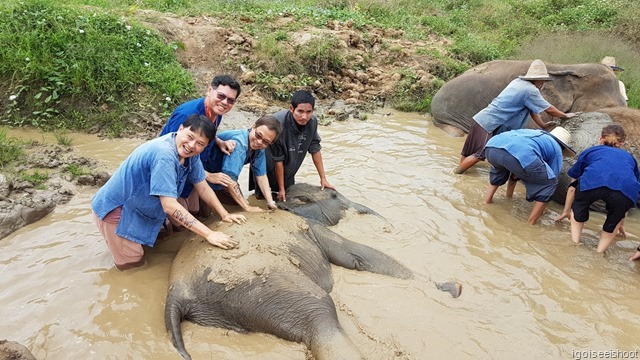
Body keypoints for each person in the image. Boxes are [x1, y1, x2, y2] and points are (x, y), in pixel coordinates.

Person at [92, 115, 247, 270]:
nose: (191, 145)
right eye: (189, 137)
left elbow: (203, 187)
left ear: (205, 146)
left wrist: (224, 214)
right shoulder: (164, 155)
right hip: (118, 210)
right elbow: (170, 206)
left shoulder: (190, 154)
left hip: (138, 206)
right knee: (133, 266)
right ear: (180, 129)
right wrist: (209, 234)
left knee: (146, 251)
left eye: (200, 143)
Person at [454, 59, 580, 174]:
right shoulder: (531, 90)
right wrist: (565, 115)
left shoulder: (517, 82)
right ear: (538, 80)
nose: (543, 84)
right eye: (543, 81)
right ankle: (457, 174)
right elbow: (549, 109)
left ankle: (462, 173)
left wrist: (542, 125)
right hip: (490, 124)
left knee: (468, 151)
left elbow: (532, 111)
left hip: (480, 118)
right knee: (479, 155)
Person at [159, 74, 241, 217]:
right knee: (177, 218)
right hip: (172, 169)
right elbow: (173, 151)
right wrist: (208, 175)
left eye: (230, 100)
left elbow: (205, 132)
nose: (225, 102)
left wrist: (218, 141)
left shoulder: (216, 112)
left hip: (195, 163)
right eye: (221, 96)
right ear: (209, 90)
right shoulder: (186, 114)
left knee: (196, 210)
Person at [554, 124, 640, 254]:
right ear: (623, 143)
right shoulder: (630, 159)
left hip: (592, 183)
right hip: (625, 193)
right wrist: (620, 223)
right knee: (613, 221)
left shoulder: (591, 151)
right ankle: (600, 253)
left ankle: (575, 243)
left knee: (579, 209)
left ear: (600, 138)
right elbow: (629, 190)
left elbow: (572, 187)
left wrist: (567, 211)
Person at [251, 90, 335, 202]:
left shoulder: (312, 122)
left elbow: (315, 148)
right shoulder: (278, 124)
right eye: (300, 111)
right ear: (291, 108)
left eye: (308, 112)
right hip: (268, 158)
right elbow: (278, 159)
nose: (304, 116)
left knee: (289, 191)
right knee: (263, 193)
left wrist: (323, 179)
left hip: (290, 160)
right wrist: (281, 189)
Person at [483, 126, 576, 225]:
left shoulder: (533, 133)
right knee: (550, 183)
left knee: (502, 170)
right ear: (563, 146)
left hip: (492, 147)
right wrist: (545, 202)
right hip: (519, 153)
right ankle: (531, 222)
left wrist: (509, 198)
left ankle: (487, 201)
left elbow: (515, 171)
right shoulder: (557, 149)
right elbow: (553, 176)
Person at [204, 116, 282, 212]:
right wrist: (247, 207)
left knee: (236, 204)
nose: (259, 142)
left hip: (220, 176)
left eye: (266, 141)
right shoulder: (240, 143)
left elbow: (261, 175)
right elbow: (230, 179)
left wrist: (270, 202)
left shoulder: (260, 148)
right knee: (204, 212)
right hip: (204, 171)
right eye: (258, 135)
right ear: (253, 126)